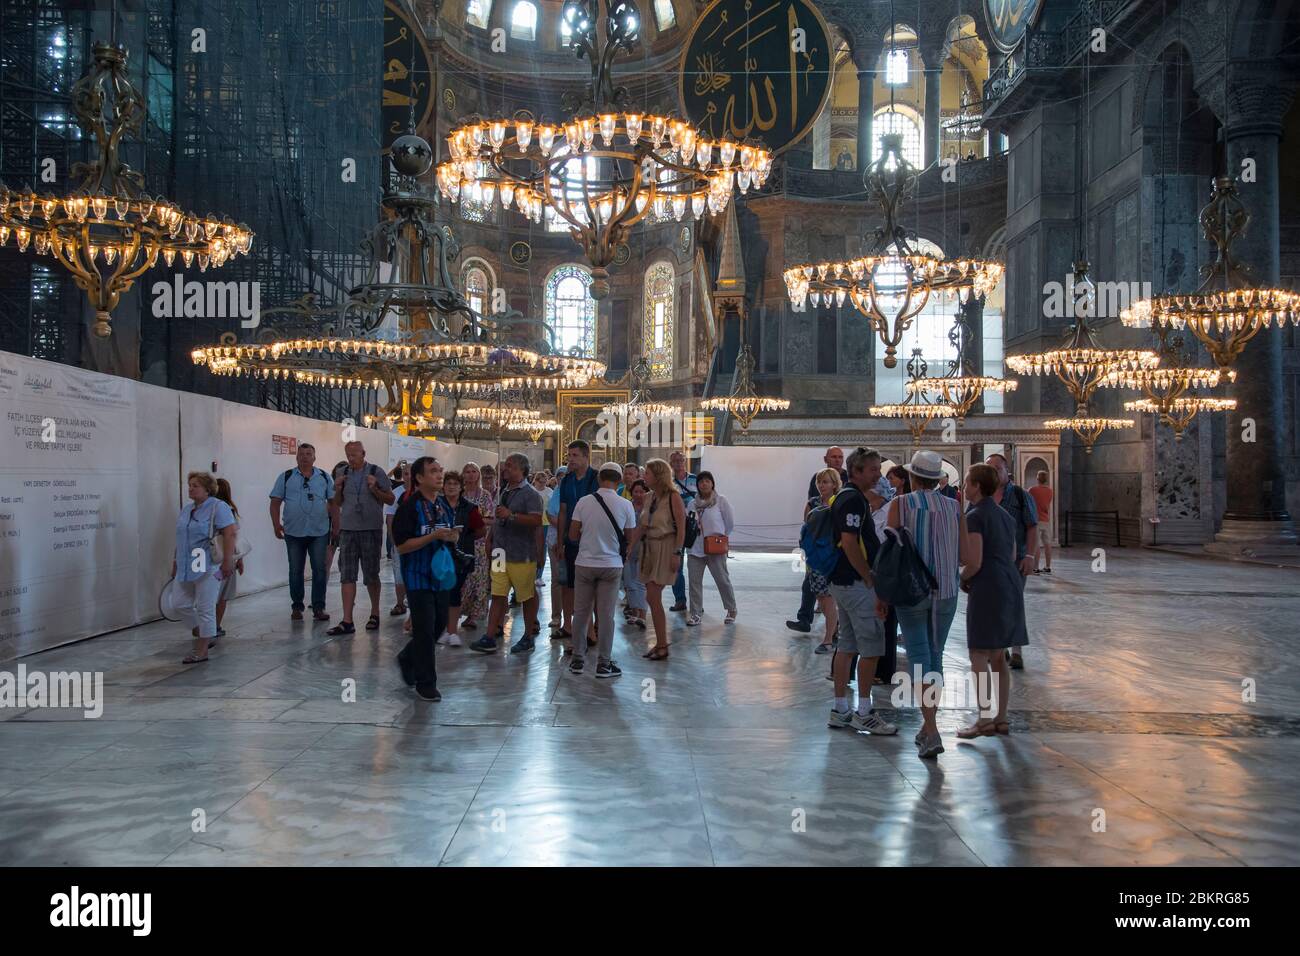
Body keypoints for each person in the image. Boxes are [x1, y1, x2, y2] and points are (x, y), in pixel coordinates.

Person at [885, 450, 963, 760]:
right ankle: (928, 726)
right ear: (938, 479)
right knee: (935, 655)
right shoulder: (956, 506)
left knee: (918, 656)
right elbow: (966, 555)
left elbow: (889, 555)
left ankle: (930, 729)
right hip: (946, 591)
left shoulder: (900, 505)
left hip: (911, 592)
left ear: (913, 477)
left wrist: (881, 596)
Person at [826, 447, 897, 736]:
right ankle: (864, 712)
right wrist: (868, 577)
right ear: (856, 471)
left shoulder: (845, 497)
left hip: (840, 581)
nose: (878, 475)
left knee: (847, 645)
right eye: (872, 470)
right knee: (871, 649)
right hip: (856, 584)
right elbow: (850, 542)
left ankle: (840, 708)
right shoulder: (854, 500)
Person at [958, 463, 1026, 737]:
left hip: (987, 585)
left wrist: (964, 577)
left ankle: (984, 718)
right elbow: (1011, 554)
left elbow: (974, 561)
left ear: (976, 486)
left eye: (966, 483)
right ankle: (1001, 718)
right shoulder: (1005, 516)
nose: (963, 488)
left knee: (978, 654)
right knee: (998, 655)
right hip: (1009, 582)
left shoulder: (974, 516)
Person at [392, 456, 461, 702]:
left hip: (440, 575)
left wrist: (451, 537)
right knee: (424, 629)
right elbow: (401, 546)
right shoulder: (409, 508)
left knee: (439, 625)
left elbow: (449, 533)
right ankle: (426, 682)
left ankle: (408, 657)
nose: (439, 475)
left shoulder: (442, 505)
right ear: (419, 478)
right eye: (433, 471)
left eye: (440, 470)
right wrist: (432, 537)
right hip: (417, 576)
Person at [566, 463, 640, 677]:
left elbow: (572, 535)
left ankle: (578, 660)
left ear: (599, 480)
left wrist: (589, 539)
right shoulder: (625, 505)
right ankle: (604, 664)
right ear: (619, 481)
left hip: (585, 563)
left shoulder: (583, 502)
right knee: (606, 615)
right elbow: (630, 538)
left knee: (580, 613)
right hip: (611, 565)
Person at [471, 454, 544, 654]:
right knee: (497, 593)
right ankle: (489, 636)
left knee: (526, 596)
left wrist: (512, 516)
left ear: (522, 470)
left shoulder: (531, 494)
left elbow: (537, 521)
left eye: (510, 466)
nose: (505, 469)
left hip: (521, 554)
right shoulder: (504, 491)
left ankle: (528, 636)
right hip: (500, 553)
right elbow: (497, 518)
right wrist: (490, 539)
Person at [327, 441, 394, 635]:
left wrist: (374, 488)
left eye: (354, 454)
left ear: (363, 453)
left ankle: (375, 613)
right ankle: (347, 620)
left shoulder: (376, 471)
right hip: (348, 529)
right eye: (348, 454)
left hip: (370, 529)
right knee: (347, 574)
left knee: (371, 573)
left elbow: (390, 499)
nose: (351, 458)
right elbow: (337, 503)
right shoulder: (342, 473)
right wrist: (338, 489)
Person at [172, 472, 237, 664]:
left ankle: (202, 649)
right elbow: (181, 536)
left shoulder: (219, 507)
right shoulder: (186, 510)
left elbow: (230, 534)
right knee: (179, 603)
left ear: (207, 489)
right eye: (190, 485)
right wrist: (175, 559)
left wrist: (227, 561)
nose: (191, 489)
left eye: (195, 486)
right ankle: (203, 631)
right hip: (187, 562)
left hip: (207, 561)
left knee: (205, 606)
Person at [788, 446, 848, 633]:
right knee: (810, 585)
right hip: (816, 549)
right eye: (834, 457)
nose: (838, 460)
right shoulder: (814, 497)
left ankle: (835, 631)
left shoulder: (847, 481)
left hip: (834, 549)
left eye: (840, 457)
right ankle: (805, 619)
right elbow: (808, 521)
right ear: (826, 459)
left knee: (834, 593)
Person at [270, 443, 332, 622]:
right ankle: (297, 606)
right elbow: (275, 502)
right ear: (296, 457)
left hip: (319, 531)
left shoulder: (324, 478)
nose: (305, 457)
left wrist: (336, 526)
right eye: (302, 454)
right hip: (293, 532)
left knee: (319, 570)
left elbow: (334, 502)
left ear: (314, 457)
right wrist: (276, 524)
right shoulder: (286, 477)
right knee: (296, 570)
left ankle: (319, 607)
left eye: (308, 454)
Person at [986, 452, 1037, 670]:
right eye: (990, 469)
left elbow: (1032, 526)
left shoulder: (1019, 495)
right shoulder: (984, 495)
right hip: (989, 561)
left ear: (1007, 471)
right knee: (994, 604)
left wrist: (1030, 556)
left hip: (1016, 560)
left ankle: (1016, 651)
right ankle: (999, 648)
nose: (994, 472)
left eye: (998, 468)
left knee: (1014, 603)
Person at [637, 458, 686, 660]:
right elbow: (643, 525)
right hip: (649, 547)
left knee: (653, 596)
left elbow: (681, 527)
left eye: (647, 473)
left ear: (658, 475)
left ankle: (663, 644)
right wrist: (631, 546)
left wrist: (677, 553)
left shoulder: (673, 497)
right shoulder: (650, 497)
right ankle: (660, 643)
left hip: (666, 547)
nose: (643, 477)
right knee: (651, 596)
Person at [553, 440, 599, 638]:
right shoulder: (567, 480)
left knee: (592, 585)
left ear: (585, 456)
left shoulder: (596, 478)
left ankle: (592, 627)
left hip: (591, 540)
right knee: (568, 582)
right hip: (570, 540)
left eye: (575, 456)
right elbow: (563, 511)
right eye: (569, 455)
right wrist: (560, 540)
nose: (570, 460)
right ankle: (567, 624)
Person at [438, 469, 486, 647]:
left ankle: (452, 631)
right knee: (440, 593)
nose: (451, 487)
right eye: (448, 484)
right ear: (443, 487)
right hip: (439, 555)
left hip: (460, 556)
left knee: (454, 592)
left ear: (461, 487)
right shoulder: (436, 505)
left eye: (455, 484)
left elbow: (481, 529)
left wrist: (465, 536)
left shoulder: (469, 508)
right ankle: (441, 629)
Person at [685, 471, 737, 626]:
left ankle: (731, 609)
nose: (704, 484)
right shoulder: (692, 504)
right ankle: (695, 613)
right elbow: (690, 524)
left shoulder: (721, 501)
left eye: (708, 481)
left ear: (712, 483)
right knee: (694, 583)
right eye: (701, 481)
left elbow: (730, 523)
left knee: (722, 580)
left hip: (715, 547)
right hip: (695, 548)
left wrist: (720, 538)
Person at [804, 468, 841, 653]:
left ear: (834, 484)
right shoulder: (813, 503)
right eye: (820, 481)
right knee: (820, 597)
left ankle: (828, 639)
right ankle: (835, 629)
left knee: (828, 599)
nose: (821, 485)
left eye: (825, 482)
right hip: (815, 558)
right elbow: (806, 528)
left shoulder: (839, 502)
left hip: (831, 557)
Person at [457, 461, 495, 631]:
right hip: (460, 542)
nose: (471, 474)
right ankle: (457, 611)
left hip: (479, 543)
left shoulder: (484, 495)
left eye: (474, 471)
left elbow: (491, 518)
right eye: (467, 471)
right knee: (462, 578)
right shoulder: (458, 494)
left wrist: (473, 522)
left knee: (479, 579)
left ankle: (474, 615)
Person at [211, 478, 244, 639]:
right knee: (222, 595)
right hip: (227, 560)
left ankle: (209, 625)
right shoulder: (229, 511)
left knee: (211, 593)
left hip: (212, 559)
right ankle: (215, 625)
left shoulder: (207, 511)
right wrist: (239, 560)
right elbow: (234, 538)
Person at [667, 450, 697, 612]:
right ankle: (680, 600)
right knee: (676, 565)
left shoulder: (694, 479)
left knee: (695, 566)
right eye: (675, 461)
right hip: (674, 528)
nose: (678, 463)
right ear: (670, 464)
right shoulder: (668, 482)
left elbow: (701, 499)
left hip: (692, 527)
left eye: (681, 460)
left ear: (685, 461)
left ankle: (696, 603)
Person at [622, 479, 650, 628]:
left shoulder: (650, 508)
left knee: (640, 581)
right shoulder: (627, 506)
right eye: (636, 491)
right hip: (628, 546)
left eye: (641, 491)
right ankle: (634, 611)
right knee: (628, 581)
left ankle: (642, 614)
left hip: (644, 546)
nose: (638, 494)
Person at [384, 463, 410, 618]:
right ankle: (400, 603)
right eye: (405, 473)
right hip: (401, 542)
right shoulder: (396, 494)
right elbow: (390, 519)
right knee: (399, 574)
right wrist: (393, 541)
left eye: (411, 473)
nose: (408, 476)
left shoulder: (424, 493)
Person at [1028, 470, 1054, 573]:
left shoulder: (1032, 490)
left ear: (1037, 478)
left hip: (1035, 519)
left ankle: (1036, 567)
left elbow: (1028, 502)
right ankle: (1048, 566)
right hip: (1046, 520)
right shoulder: (1050, 491)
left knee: (1036, 544)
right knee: (1047, 544)